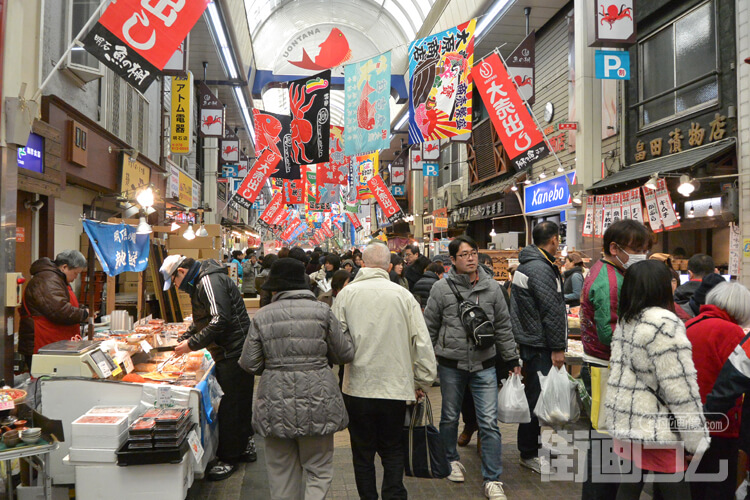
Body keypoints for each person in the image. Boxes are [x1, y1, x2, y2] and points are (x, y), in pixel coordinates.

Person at [239, 258, 354, 500]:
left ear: (275, 288)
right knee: (319, 469)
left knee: (281, 472)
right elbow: (344, 354)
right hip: (318, 399)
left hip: (274, 402)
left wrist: (274, 366)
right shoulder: (323, 312)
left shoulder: (262, 316)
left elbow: (249, 363)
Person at [333, 242, 437, 500]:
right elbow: (422, 343)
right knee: (393, 449)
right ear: (389, 266)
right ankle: (393, 495)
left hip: (357, 388)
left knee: (362, 453)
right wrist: (422, 381)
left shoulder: (346, 295)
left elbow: (335, 342)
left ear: (362, 263)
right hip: (395, 389)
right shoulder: (403, 295)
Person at [424, 235, 519, 500]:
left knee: (489, 422)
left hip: (485, 364)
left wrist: (512, 360)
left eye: (473, 253)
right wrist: (426, 363)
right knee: (450, 416)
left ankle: (493, 478)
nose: (471, 258)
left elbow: (503, 327)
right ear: (452, 260)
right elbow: (429, 328)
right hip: (451, 364)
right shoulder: (441, 289)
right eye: (464, 254)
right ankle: (450, 460)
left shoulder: (492, 288)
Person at [603, 260, 709, 500]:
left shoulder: (627, 319)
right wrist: (695, 438)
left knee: (629, 486)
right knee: (676, 488)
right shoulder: (665, 322)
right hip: (658, 427)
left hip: (628, 419)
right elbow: (679, 386)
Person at [160, 255, 255, 481]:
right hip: (231, 350)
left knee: (232, 405)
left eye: (174, 281)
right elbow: (204, 318)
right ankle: (243, 446)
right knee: (238, 401)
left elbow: (220, 318)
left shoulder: (208, 281)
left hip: (234, 351)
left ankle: (229, 457)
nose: (176, 287)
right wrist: (186, 336)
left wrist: (192, 344)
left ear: (181, 272)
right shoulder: (201, 282)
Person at [579, 219, 652, 499]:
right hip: (606, 370)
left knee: (606, 446)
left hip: (605, 367)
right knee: (606, 447)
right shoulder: (609, 281)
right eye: (636, 249)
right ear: (614, 247)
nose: (640, 255)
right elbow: (610, 335)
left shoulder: (608, 271)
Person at [510, 221, 567, 474]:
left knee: (538, 397)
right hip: (539, 345)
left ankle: (533, 447)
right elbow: (551, 312)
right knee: (537, 399)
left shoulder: (529, 264)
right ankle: (529, 451)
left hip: (531, 341)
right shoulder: (541, 268)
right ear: (554, 239)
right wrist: (557, 347)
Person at [685, 282, 750, 500]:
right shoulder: (732, 332)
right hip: (721, 424)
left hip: (688, 419)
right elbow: (735, 381)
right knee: (718, 487)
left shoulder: (690, 325)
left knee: (693, 485)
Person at [19, 250, 90, 367]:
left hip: (57, 344)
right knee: (44, 380)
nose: (76, 277)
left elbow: (65, 302)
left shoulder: (58, 279)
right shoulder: (47, 280)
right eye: (76, 273)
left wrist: (83, 309)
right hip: (42, 342)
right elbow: (59, 311)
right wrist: (83, 314)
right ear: (64, 267)